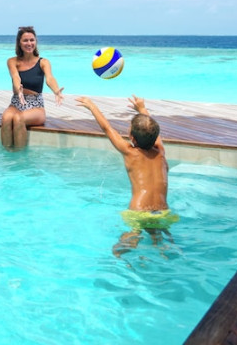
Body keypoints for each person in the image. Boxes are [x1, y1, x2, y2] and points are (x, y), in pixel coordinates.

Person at [76, 95, 178, 257]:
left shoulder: (130, 152)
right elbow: (154, 133)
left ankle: (129, 245)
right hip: (162, 210)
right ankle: (162, 249)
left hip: (138, 210)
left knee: (126, 241)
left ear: (132, 138)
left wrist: (92, 106)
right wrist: (142, 108)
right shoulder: (161, 152)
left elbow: (107, 129)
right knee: (159, 238)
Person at [0, 26, 64, 151]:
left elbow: (50, 78)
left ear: (36, 42)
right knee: (6, 118)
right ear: (19, 43)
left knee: (18, 118)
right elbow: (15, 77)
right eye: (25, 40)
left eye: (32, 40)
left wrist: (56, 91)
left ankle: (20, 156)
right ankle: (8, 155)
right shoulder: (12, 61)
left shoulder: (43, 62)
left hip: (36, 105)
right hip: (16, 102)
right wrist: (18, 89)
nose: (29, 43)